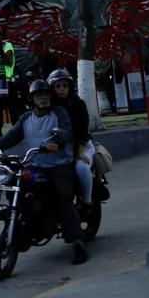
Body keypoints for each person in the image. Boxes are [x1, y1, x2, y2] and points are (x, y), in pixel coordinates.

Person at [0, 79, 88, 265]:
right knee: (14, 184)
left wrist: (57, 142)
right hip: (35, 167)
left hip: (59, 165)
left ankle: (78, 244)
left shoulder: (59, 113)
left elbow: (66, 131)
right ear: (32, 99)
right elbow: (13, 135)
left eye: (45, 95)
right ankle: (25, 225)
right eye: (38, 96)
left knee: (63, 200)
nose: (43, 98)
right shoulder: (27, 117)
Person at [48, 68, 95, 209]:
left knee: (81, 168)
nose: (61, 89)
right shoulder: (49, 107)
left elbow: (83, 132)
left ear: (70, 87)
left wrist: (79, 152)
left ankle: (87, 201)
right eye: (57, 86)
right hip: (58, 147)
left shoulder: (78, 104)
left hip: (82, 146)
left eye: (65, 86)